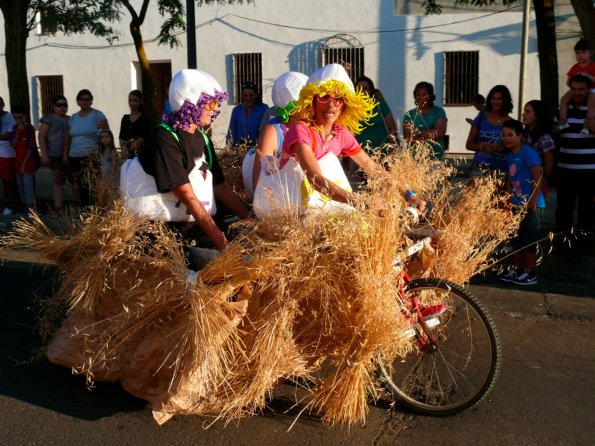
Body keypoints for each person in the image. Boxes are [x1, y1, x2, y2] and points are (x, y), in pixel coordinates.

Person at [257, 63, 425, 211]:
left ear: (345, 104)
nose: (332, 104)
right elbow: (315, 179)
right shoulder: (301, 130)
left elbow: (372, 168)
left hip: (315, 202)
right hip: (288, 205)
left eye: (338, 98)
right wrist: (360, 201)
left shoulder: (340, 134)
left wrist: (408, 195)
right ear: (312, 101)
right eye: (324, 97)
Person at [136, 69, 249, 254]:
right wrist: (224, 246)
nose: (215, 109)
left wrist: (252, 222)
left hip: (196, 226)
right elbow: (187, 196)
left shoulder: (203, 139)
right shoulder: (165, 138)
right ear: (191, 101)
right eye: (211, 103)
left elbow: (221, 188)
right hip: (168, 235)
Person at [242, 71, 308, 196]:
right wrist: (260, 204)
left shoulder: (311, 126)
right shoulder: (273, 130)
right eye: (307, 103)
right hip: (282, 197)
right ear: (295, 107)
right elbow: (260, 174)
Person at [499, 119, 544, 286]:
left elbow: (538, 177)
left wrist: (532, 201)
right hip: (516, 204)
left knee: (529, 239)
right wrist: (508, 200)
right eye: (503, 135)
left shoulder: (527, 153)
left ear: (520, 136)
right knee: (516, 238)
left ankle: (530, 272)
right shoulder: (510, 156)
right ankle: (519, 269)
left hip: (530, 205)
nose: (506, 138)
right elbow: (511, 180)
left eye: (510, 135)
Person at [555, 74, 595, 261]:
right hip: (565, 169)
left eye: (582, 89)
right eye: (574, 89)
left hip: (589, 171)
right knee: (563, 210)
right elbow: (555, 131)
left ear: (589, 90)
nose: (578, 93)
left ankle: (583, 246)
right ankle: (562, 244)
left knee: (587, 211)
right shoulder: (562, 108)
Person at [64, 89, 109, 207]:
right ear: (78, 102)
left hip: (91, 155)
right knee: (80, 185)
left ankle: (95, 209)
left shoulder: (98, 115)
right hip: (74, 155)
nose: (84, 102)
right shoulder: (73, 118)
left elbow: (106, 135)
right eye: (82, 99)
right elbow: (68, 138)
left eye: (87, 99)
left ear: (91, 101)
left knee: (92, 184)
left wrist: (105, 153)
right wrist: (65, 154)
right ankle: (84, 209)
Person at [465, 85, 513, 179]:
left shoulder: (511, 122)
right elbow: (469, 145)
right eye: (493, 98)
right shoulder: (481, 118)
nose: (495, 102)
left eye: (499, 99)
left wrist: (503, 147)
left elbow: (516, 148)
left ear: (505, 101)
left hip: (502, 170)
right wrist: (483, 146)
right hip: (480, 168)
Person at [39, 95, 71, 213]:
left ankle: (82, 207)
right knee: (58, 181)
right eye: (59, 105)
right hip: (54, 154)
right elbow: (41, 138)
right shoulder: (48, 119)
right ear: (54, 106)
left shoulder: (71, 119)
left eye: (65, 105)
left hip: (71, 154)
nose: (62, 107)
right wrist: (44, 154)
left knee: (75, 181)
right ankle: (58, 207)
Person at [558, 39, 595, 135]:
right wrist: (574, 77)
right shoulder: (575, 67)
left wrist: (587, 76)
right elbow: (568, 82)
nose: (580, 55)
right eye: (577, 53)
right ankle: (563, 121)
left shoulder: (593, 66)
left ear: (590, 52)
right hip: (576, 90)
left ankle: (588, 122)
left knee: (592, 99)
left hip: (593, 90)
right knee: (563, 99)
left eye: (583, 52)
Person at [403, 81, 448, 160]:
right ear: (415, 96)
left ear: (430, 96)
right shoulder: (409, 115)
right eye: (418, 95)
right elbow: (408, 138)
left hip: (436, 158)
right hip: (415, 159)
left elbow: (440, 132)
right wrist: (431, 134)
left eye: (424, 95)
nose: (421, 97)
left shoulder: (439, 111)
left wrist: (419, 133)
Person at [354, 75, 398, 153]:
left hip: (383, 153)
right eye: (359, 88)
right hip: (361, 155)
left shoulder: (380, 104)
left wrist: (392, 149)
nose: (362, 91)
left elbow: (392, 128)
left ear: (371, 90)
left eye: (365, 88)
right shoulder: (352, 108)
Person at [521, 100, 555, 197]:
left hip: (536, 186)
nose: (524, 114)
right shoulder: (524, 135)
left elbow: (547, 170)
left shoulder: (545, 139)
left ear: (537, 115)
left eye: (528, 112)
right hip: (520, 184)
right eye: (524, 111)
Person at [11, 105, 38, 215]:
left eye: (20, 118)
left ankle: (33, 211)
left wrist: (24, 163)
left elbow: (30, 148)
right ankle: (27, 210)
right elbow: (13, 145)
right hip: (18, 163)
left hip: (27, 164)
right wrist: (18, 132)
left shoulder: (30, 129)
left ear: (25, 116)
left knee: (28, 188)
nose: (18, 120)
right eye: (16, 118)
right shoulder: (15, 128)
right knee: (21, 188)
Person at [226, 81, 269, 147]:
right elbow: (231, 131)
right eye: (245, 95)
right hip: (239, 150)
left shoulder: (264, 109)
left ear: (256, 95)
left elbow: (266, 130)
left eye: (251, 95)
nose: (248, 98)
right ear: (242, 96)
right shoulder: (237, 110)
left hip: (257, 149)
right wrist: (230, 148)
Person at [118, 90, 151, 159]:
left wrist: (129, 150)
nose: (132, 103)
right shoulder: (125, 118)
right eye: (130, 100)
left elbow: (142, 138)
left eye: (135, 101)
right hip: (126, 155)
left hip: (140, 155)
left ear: (140, 102)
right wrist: (124, 150)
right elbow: (121, 137)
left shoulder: (144, 119)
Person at [0, 96, 16, 215]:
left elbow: (10, 134)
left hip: (6, 153)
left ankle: (9, 206)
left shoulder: (9, 117)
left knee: (7, 180)